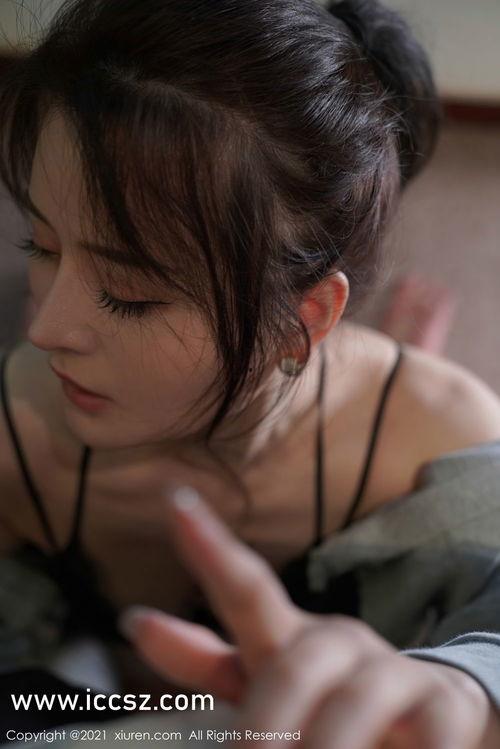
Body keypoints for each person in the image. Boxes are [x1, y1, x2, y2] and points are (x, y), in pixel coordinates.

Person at [1, 0, 500, 745]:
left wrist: (466, 687)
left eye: (129, 294)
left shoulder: (442, 441)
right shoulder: (20, 433)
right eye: (42, 247)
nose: (46, 332)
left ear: (305, 316)